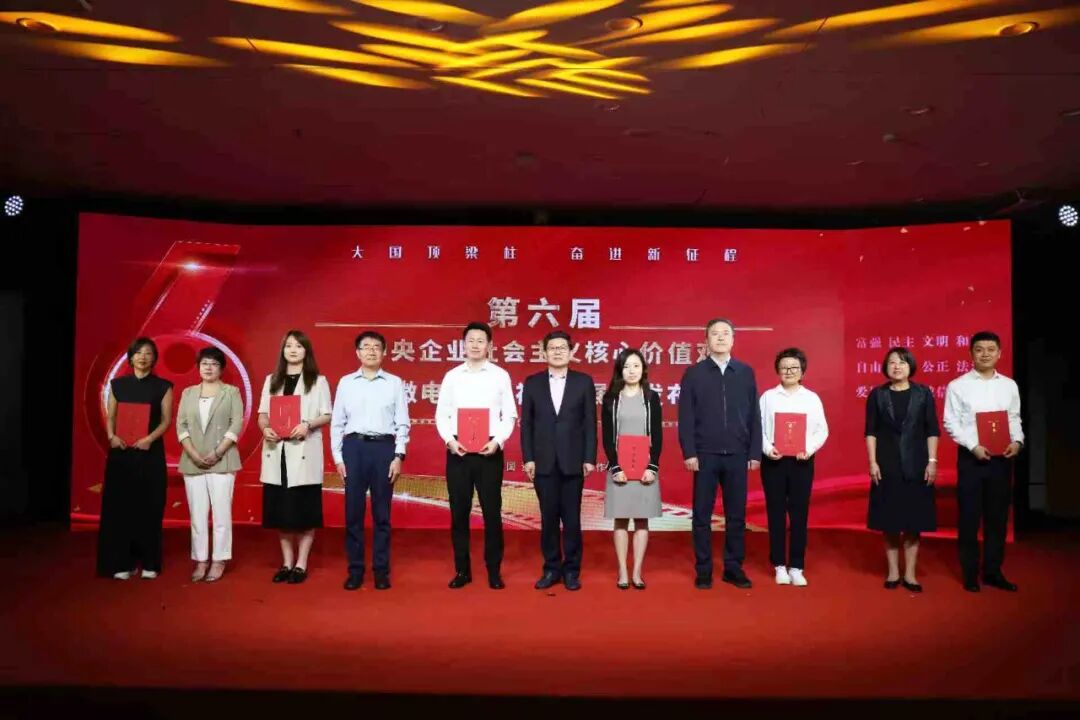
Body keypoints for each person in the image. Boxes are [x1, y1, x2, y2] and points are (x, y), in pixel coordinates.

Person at [678, 318, 762, 589]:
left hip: (738, 454)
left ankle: (733, 568)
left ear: (733, 339)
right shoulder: (694, 373)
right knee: (702, 515)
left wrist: (755, 452)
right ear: (706, 340)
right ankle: (703, 569)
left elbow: (754, 414)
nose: (721, 337)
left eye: (726, 333)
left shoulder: (745, 372)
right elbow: (686, 416)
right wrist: (689, 452)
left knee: (736, 515)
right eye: (715, 333)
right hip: (705, 454)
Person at [435, 322, 517, 590]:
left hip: (489, 451)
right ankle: (462, 570)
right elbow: (442, 414)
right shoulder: (452, 376)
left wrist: (498, 441)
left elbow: (509, 415)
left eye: (481, 340)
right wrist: (449, 440)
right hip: (458, 451)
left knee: (492, 513)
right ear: (463, 344)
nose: (475, 345)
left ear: (489, 346)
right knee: (459, 512)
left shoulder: (500, 375)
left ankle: (494, 570)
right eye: (470, 340)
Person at [943, 331, 1024, 593]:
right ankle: (970, 574)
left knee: (997, 518)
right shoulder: (958, 386)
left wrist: (1018, 441)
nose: (985, 354)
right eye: (979, 349)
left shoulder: (1009, 385)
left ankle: (993, 571)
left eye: (991, 349)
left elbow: (1014, 417)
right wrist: (973, 446)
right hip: (972, 459)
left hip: (1002, 458)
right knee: (969, 518)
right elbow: (950, 422)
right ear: (971, 353)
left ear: (1000, 353)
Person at [330, 331, 410, 591]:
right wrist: (338, 457)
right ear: (358, 353)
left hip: (384, 449)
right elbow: (337, 423)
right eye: (366, 347)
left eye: (377, 347)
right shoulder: (346, 383)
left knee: (382, 514)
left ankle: (381, 570)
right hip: (354, 448)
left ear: (385, 352)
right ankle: (355, 570)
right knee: (353, 513)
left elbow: (402, 422)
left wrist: (398, 455)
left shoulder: (394, 383)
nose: (371, 351)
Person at [520, 330, 597, 591]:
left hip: (573, 460)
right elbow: (526, 424)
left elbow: (590, 422)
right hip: (543, 461)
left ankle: (572, 571)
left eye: (562, 347)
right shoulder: (532, 383)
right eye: (552, 348)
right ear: (544, 353)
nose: (557, 351)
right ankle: (551, 568)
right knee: (548, 519)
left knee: (572, 520)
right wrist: (528, 458)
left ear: (571, 352)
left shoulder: (583, 382)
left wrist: (589, 457)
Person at [257, 330, 332, 585]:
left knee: (304, 511)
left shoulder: (317, 381)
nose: (293, 350)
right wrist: (265, 428)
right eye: (288, 345)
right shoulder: (272, 380)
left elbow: (327, 414)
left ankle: (301, 564)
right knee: (282, 512)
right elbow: (263, 414)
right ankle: (286, 562)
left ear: (306, 351)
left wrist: (307, 425)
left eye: (298, 346)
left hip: (303, 451)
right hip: (277, 452)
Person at [96, 337, 174, 580]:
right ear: (130, 358)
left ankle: (150, 562)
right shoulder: (117, 385)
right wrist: (111, 436)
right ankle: (123, 562)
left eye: (148, 353)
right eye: (138, 353)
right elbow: (111, 416)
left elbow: (166, 421)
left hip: (149, 453)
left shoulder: (163, 386)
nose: (143, 357)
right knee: (121, 507)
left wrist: (149, 438)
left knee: (149, 506)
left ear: (154, 358)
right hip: (121, 453)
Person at [865, 347, 940, 593]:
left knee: (913, 522)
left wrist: (932, 461)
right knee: (889, 521)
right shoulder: (877, 395)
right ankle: (893, 572)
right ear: (885, 367)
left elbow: (932, 430)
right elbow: (870, 431)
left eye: (902, 362)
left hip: (917, 464)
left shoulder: (923, 394)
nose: (897, 366)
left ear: (911, 367)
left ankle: (910, 574)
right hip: (886, 465)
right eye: (892, 362)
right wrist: (872, 462)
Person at [759, 347, 828, 587]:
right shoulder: (768, 397)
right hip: (774, 462)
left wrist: (808, 448)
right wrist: (768, 449)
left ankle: (797, 566)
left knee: (799, 514)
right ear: (777, 371)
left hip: (802, 462)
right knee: (776, 513)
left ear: (802, 371)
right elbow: (758, 428)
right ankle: (779, 564)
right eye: (784, 367)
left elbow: (822, 430)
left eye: (794, 368)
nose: (789, 371)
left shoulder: (812, 398)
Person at [176, 346, 244, 583]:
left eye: (214, 364)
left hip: (223, 459)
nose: (208, 367)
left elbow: (236, 423)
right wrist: (193, 454)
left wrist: (218, 452)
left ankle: (219, 560)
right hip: (192, 460)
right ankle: (201, 559)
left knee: (222, 513)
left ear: (221, 368)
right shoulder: (188, 393)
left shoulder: (231, 392)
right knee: (197, 515)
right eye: (204, 363)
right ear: (198, 367)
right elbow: (181, 425)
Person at [601, 349, 662, 590]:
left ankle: (637, 572)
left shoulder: (651, 398)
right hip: (620, 469)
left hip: (645, 469)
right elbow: (607, 437)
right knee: (620, 521)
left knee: (642, 521)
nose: (632, 371)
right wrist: (615, 467)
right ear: (620, 370)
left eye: (636, 365)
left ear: (643, 369)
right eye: (626, 366)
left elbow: (657, 435)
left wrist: (652, 466)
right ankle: (623, 572)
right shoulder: (611, 399)